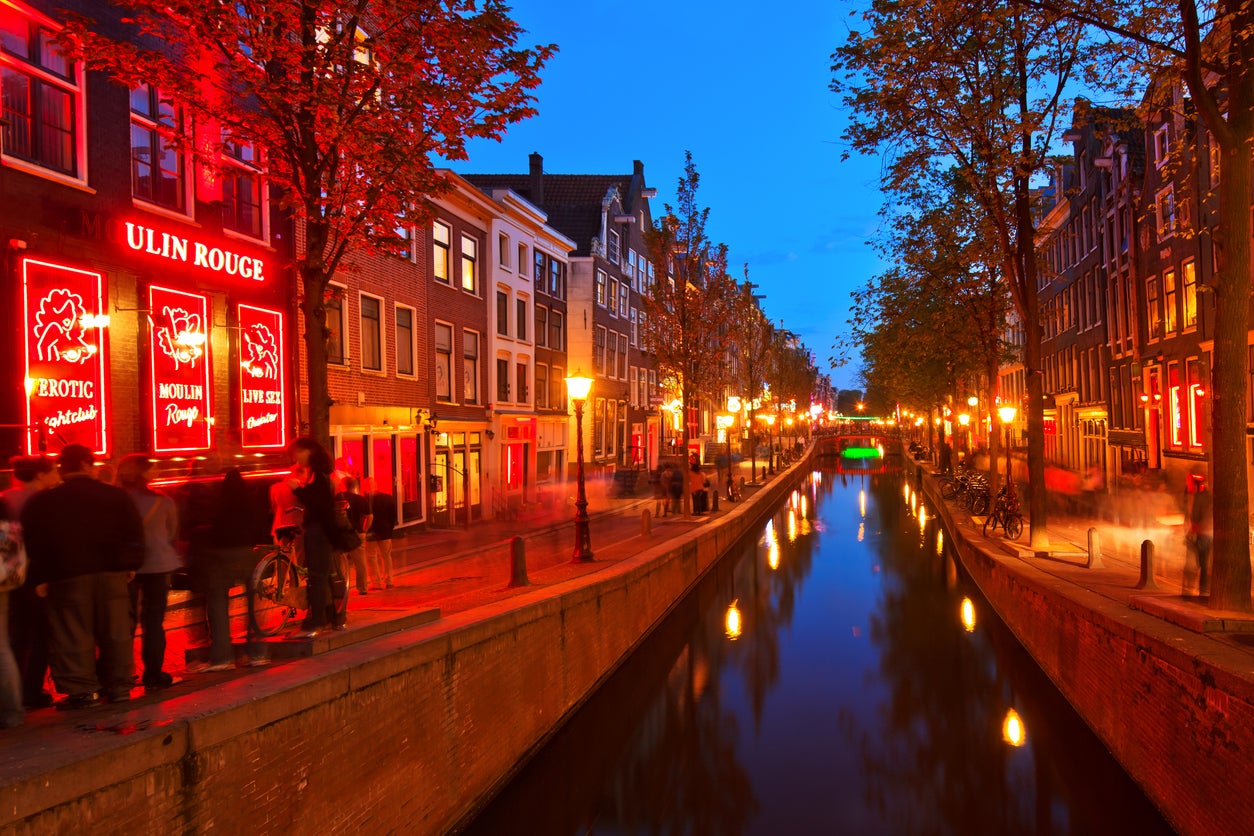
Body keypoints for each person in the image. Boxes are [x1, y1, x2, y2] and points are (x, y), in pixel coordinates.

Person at [21, 445, 144, 709]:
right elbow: (134, 533)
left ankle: (84, 691)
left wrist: (40, 577)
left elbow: (33, 543)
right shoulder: (115, 496)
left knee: (73, 633)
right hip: (112, 574)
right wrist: (131, 564)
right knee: (116, 631)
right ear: (88, 465)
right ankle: (120, 685)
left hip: (66, 575)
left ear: (62, 469)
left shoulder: (43, 501)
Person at [116, 454, 181, 690]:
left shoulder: (117, 500)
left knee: (125, 621)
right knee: (154, 621)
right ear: (143, 473)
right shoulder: (162, 502)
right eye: (152, 469)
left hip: (127, 567)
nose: (156, 473)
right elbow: (172, 533)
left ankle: (123, 673)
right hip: (159, 564)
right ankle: (153, 674)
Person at [2, 456, 59, 709]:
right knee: (41, 634)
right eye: (54, 471)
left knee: (15, 635)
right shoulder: (46, 501)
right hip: (36, 574)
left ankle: (11, 690)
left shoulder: (6, 498)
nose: (57, 475)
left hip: (8, 575)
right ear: (40, 475)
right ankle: (31, 690)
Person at [288, 438, 342, 636]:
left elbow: (319, 504)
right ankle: (331, 617)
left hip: (319, 532)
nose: (295, 458)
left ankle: (317, 621)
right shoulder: (320, 473)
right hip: (321, 531)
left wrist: (297, 490)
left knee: (317, 576)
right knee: (323, 576)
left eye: (297, 453)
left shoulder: (318, 475)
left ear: (308, 451)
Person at [336, 477, 373, 594]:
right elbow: (370, 516)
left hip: (341, 533)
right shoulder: (360, 499)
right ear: (355, 486)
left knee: (341, 561)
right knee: (360, 562)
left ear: (343, 485)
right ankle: (362, 588)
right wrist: (364, 530)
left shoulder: (337, 498)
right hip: (356, 533)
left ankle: (341, 587)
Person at [362, 478, 397, 589]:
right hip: (385, 531)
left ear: (366, 488)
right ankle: (389, 581)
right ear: (376, 486)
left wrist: (364, 530)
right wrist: (390, 528)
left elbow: (363, 517)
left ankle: (376, 583)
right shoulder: (388, 498)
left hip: (371, 532)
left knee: (371, 557)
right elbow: (393, 516)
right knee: (386, 556)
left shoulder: (364, 500)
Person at [1187, 474, 1214, 596]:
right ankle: (1207, 588)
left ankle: (1201, 589)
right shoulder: (1215, 496)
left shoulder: (1199, 497)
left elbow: (1195, 517)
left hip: (1203, 533)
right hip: (1214, 533)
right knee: (1209, 561)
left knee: (1201, 562)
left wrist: (1192, 531)